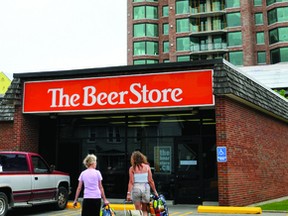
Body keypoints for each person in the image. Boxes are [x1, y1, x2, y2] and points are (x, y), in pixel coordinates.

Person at [126, 151, 158, 216]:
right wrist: (155, 191)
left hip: (136, 188)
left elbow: (131, 182)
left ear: (133, 159)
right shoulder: (147, 167)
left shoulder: (132, 168)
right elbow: (150, 180)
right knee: (144, 210)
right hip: (146, 188)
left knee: (138, 211)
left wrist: (128, 193)